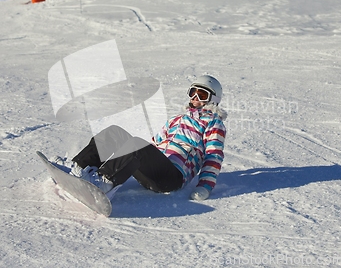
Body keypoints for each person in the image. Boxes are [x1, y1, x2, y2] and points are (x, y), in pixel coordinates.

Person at [65, 75, 227, 201]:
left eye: (202, 94)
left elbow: (214, 156)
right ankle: (78, 166)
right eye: (193, 93)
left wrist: (205, 186)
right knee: (114, 133)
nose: (195, 98)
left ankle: (102, 183)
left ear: (213, 100)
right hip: (155, 171)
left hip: (172, 178)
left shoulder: (213, 123)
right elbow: (154, 144)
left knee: (136, 145)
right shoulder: (177, 120)